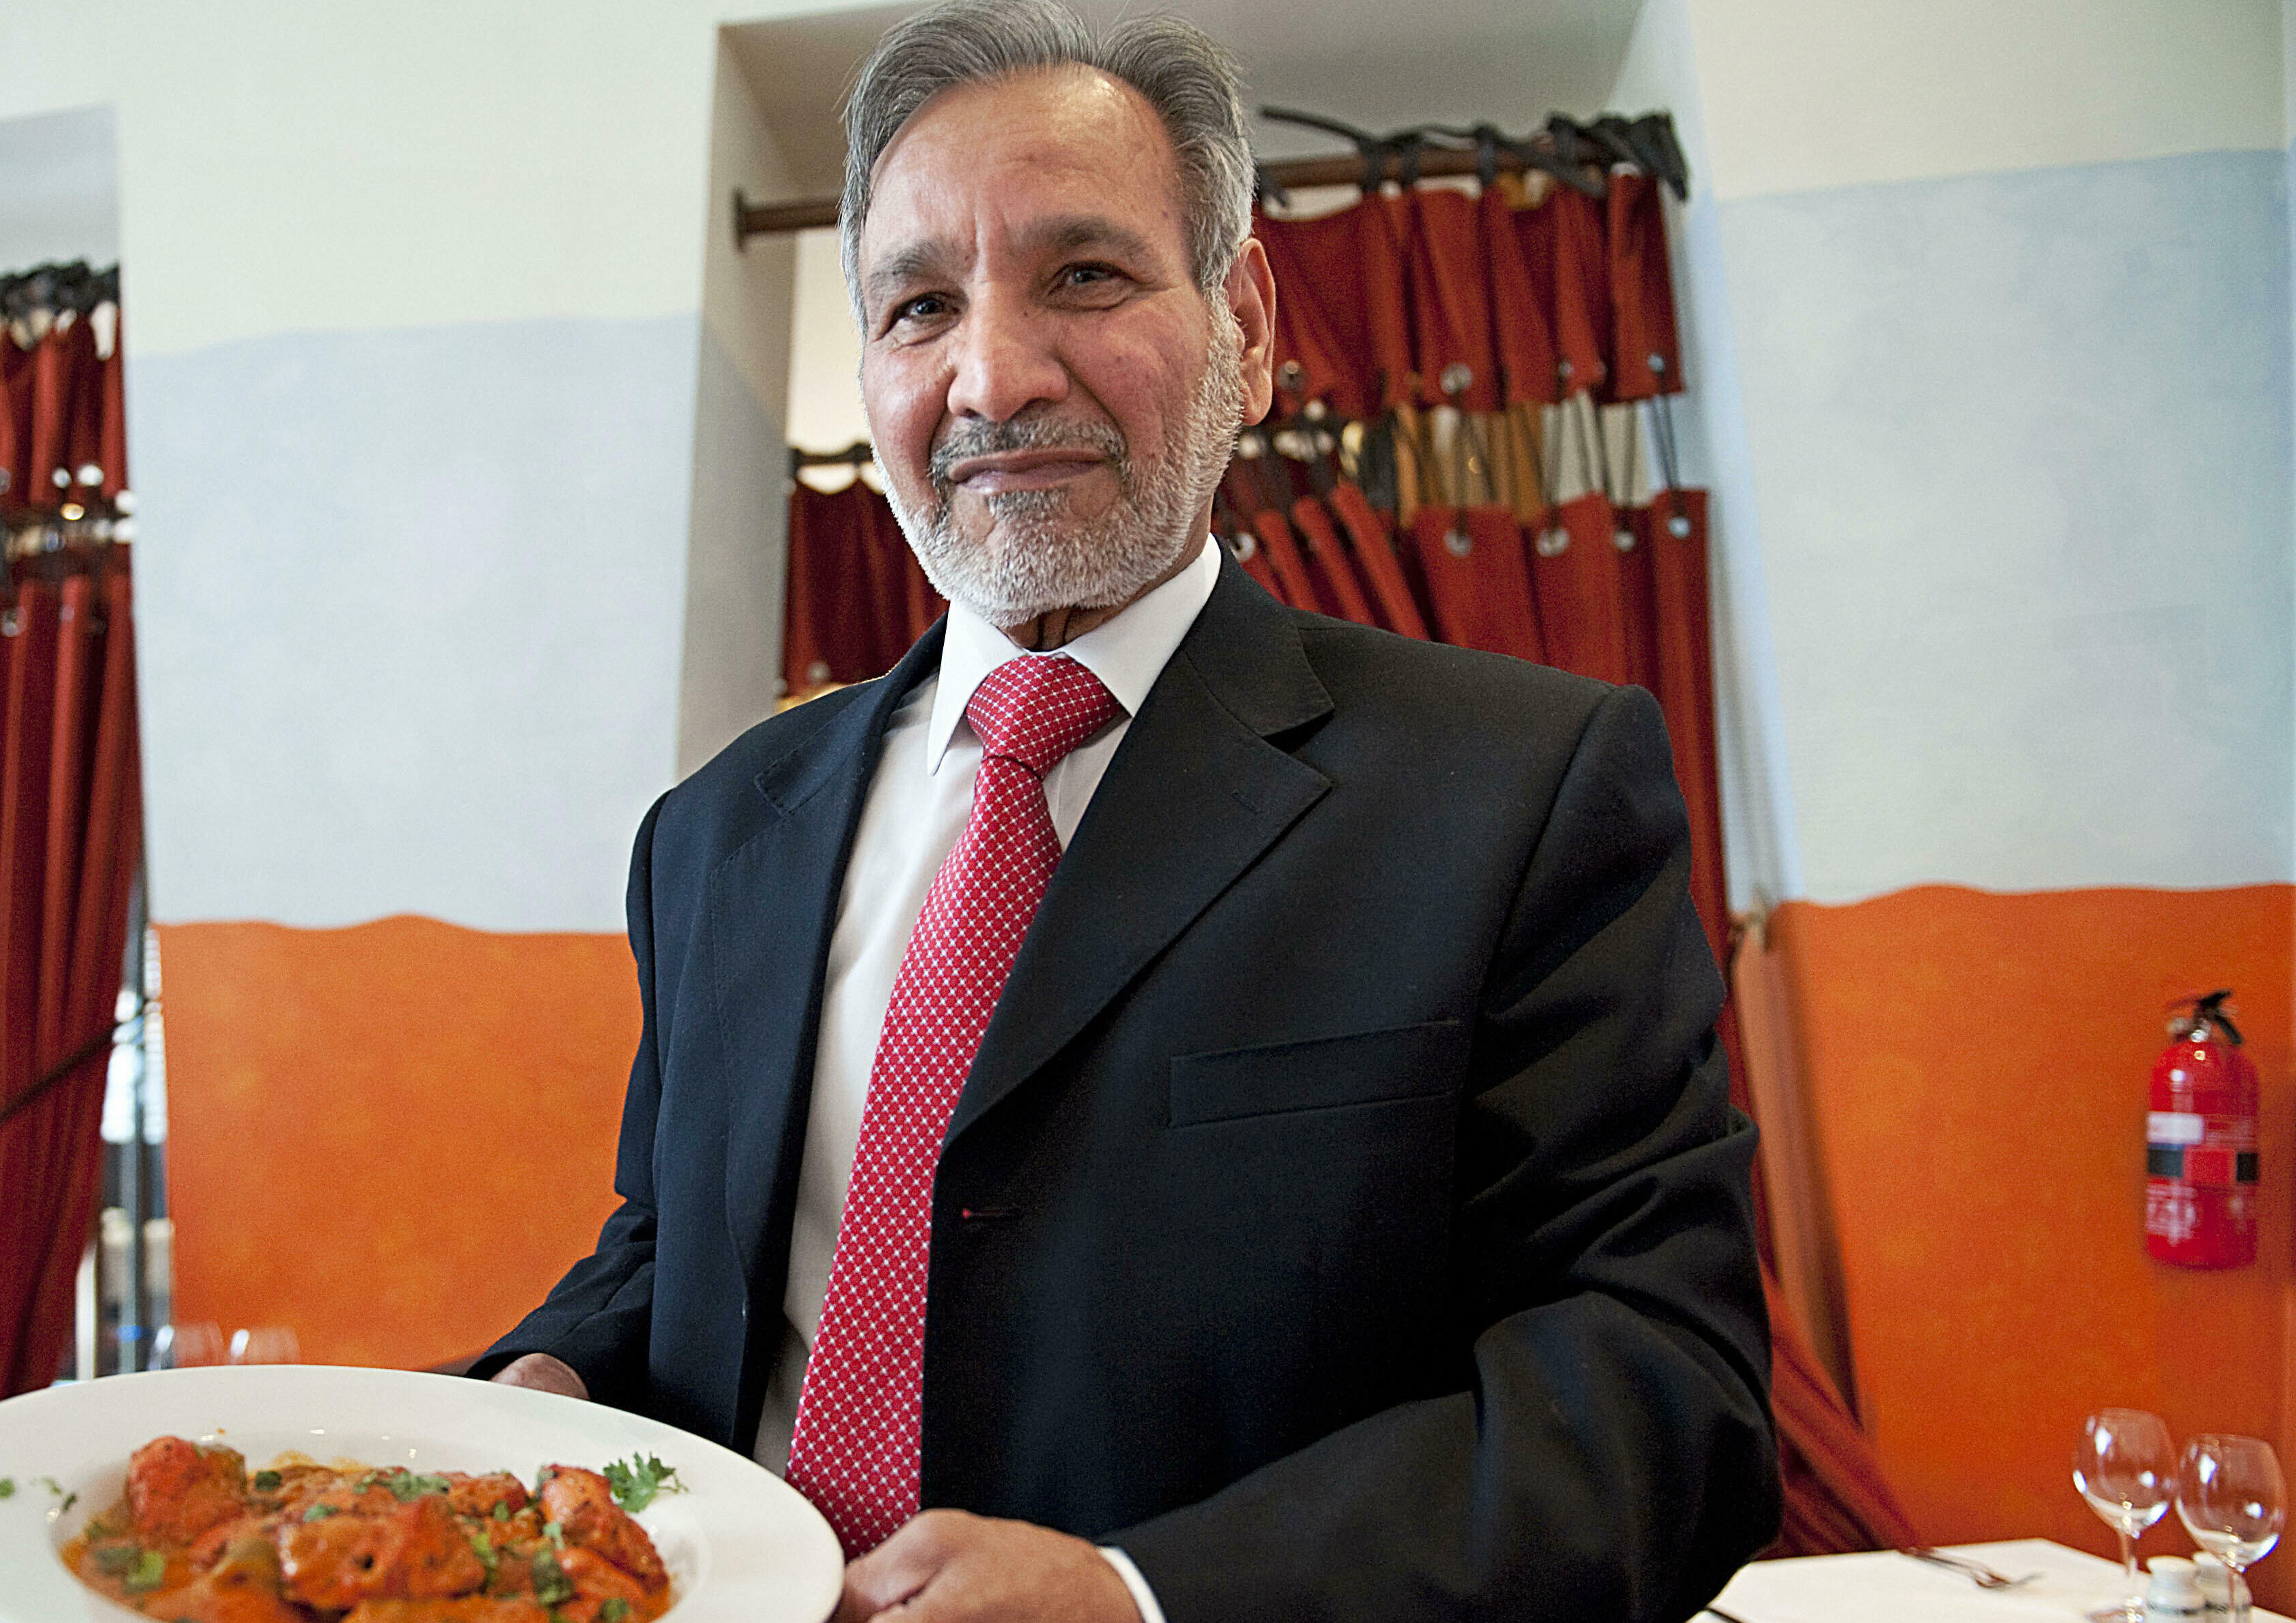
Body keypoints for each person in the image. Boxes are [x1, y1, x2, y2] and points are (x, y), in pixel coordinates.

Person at [475, 3, 1781, 1618]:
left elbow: (1658, 1388)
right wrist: (552, 1386)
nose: (991, 379)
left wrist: (1139, 1593)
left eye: (1082, 277)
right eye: (919, 305)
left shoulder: (1515, 789)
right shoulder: (714, 835)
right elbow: (682, 1251)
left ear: (1246, 322)